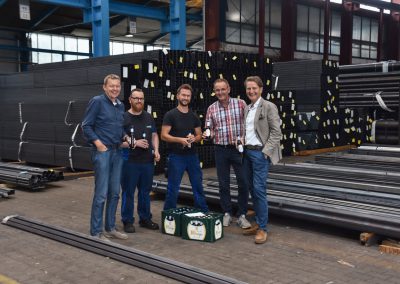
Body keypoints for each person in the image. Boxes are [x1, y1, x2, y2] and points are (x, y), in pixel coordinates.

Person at [82, 74, 128, 241]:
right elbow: (86, 126)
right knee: (101, 193)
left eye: (117, 86)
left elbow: (119, 128)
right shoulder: (97, 102)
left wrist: (126, 138)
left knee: (115, 192)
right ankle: (96, 232)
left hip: (117, 152)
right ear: (104, 87)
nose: (115, 89)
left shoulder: (120, 105)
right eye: (111, 86)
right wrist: (99, 145)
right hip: (103, 152)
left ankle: (110, 227)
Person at [202, 78, 251, 228]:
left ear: (228, 89)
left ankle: (242, 214)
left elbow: (249, 125)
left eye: (223, 89)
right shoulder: (211, 108)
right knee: (224, 184)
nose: (220, 92)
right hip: (220, 149)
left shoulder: (241, 104)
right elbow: (209, 129)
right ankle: (227, 213)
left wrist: (243, 139)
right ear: (214, 91)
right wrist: (207, 135)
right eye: (217, 90)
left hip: (238, 149)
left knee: (243, 182)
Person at [242, 76, 282, 244]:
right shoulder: (248, 108)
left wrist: (266, 152)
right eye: (248, 88)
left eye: (254, 88)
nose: (251, 91)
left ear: (261, 89)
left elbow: (276, 132)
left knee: (259, 190)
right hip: (247, 152)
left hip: (260, 154)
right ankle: (258, 222)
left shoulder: (268, 106)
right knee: (252, 189)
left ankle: (263, 229)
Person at [161, 84, 208, 212]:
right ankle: (169, 215)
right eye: (183, 95)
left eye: (188, 95)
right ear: (178, 96)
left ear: (190, 97)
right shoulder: (170, 115)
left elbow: (199, 135)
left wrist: (195, 138)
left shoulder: (194, 116)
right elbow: (164, 135)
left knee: (198, 186)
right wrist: (179, 140)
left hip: (192, 156)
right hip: (176, 156)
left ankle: (203, 212)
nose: (185, 97)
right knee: (173, 188)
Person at [120, 88, 160, 233]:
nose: (139, 101)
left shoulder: (148, 117)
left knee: (145, 191)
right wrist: (134, 143)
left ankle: (145, 218)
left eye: (141, 98)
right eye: (136, 98)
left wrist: (156, 150)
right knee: (128, 192)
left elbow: (154, 135)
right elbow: (117, 142)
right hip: (129, 161)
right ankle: (127, 221)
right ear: (130, 99)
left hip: (147, 162)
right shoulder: (123, 118)